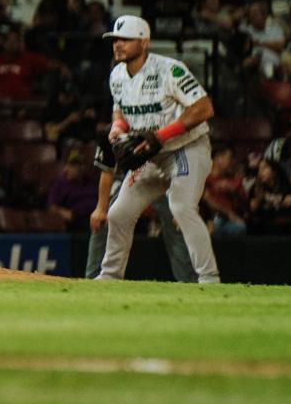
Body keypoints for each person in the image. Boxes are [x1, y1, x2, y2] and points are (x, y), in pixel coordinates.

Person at [88, 15, 221, 284]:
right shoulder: (117, 75)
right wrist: (117, 129)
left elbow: (204, 108)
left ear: (144, 42)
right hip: (150, 154)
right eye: (115, 40)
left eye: (126, 39)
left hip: (186, 148)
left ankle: (209, 279)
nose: (118, 45)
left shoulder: (170, 70)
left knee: (181, 206)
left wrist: (161, 135)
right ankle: (110, 276)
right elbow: (120, 111)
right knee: (118, 213)